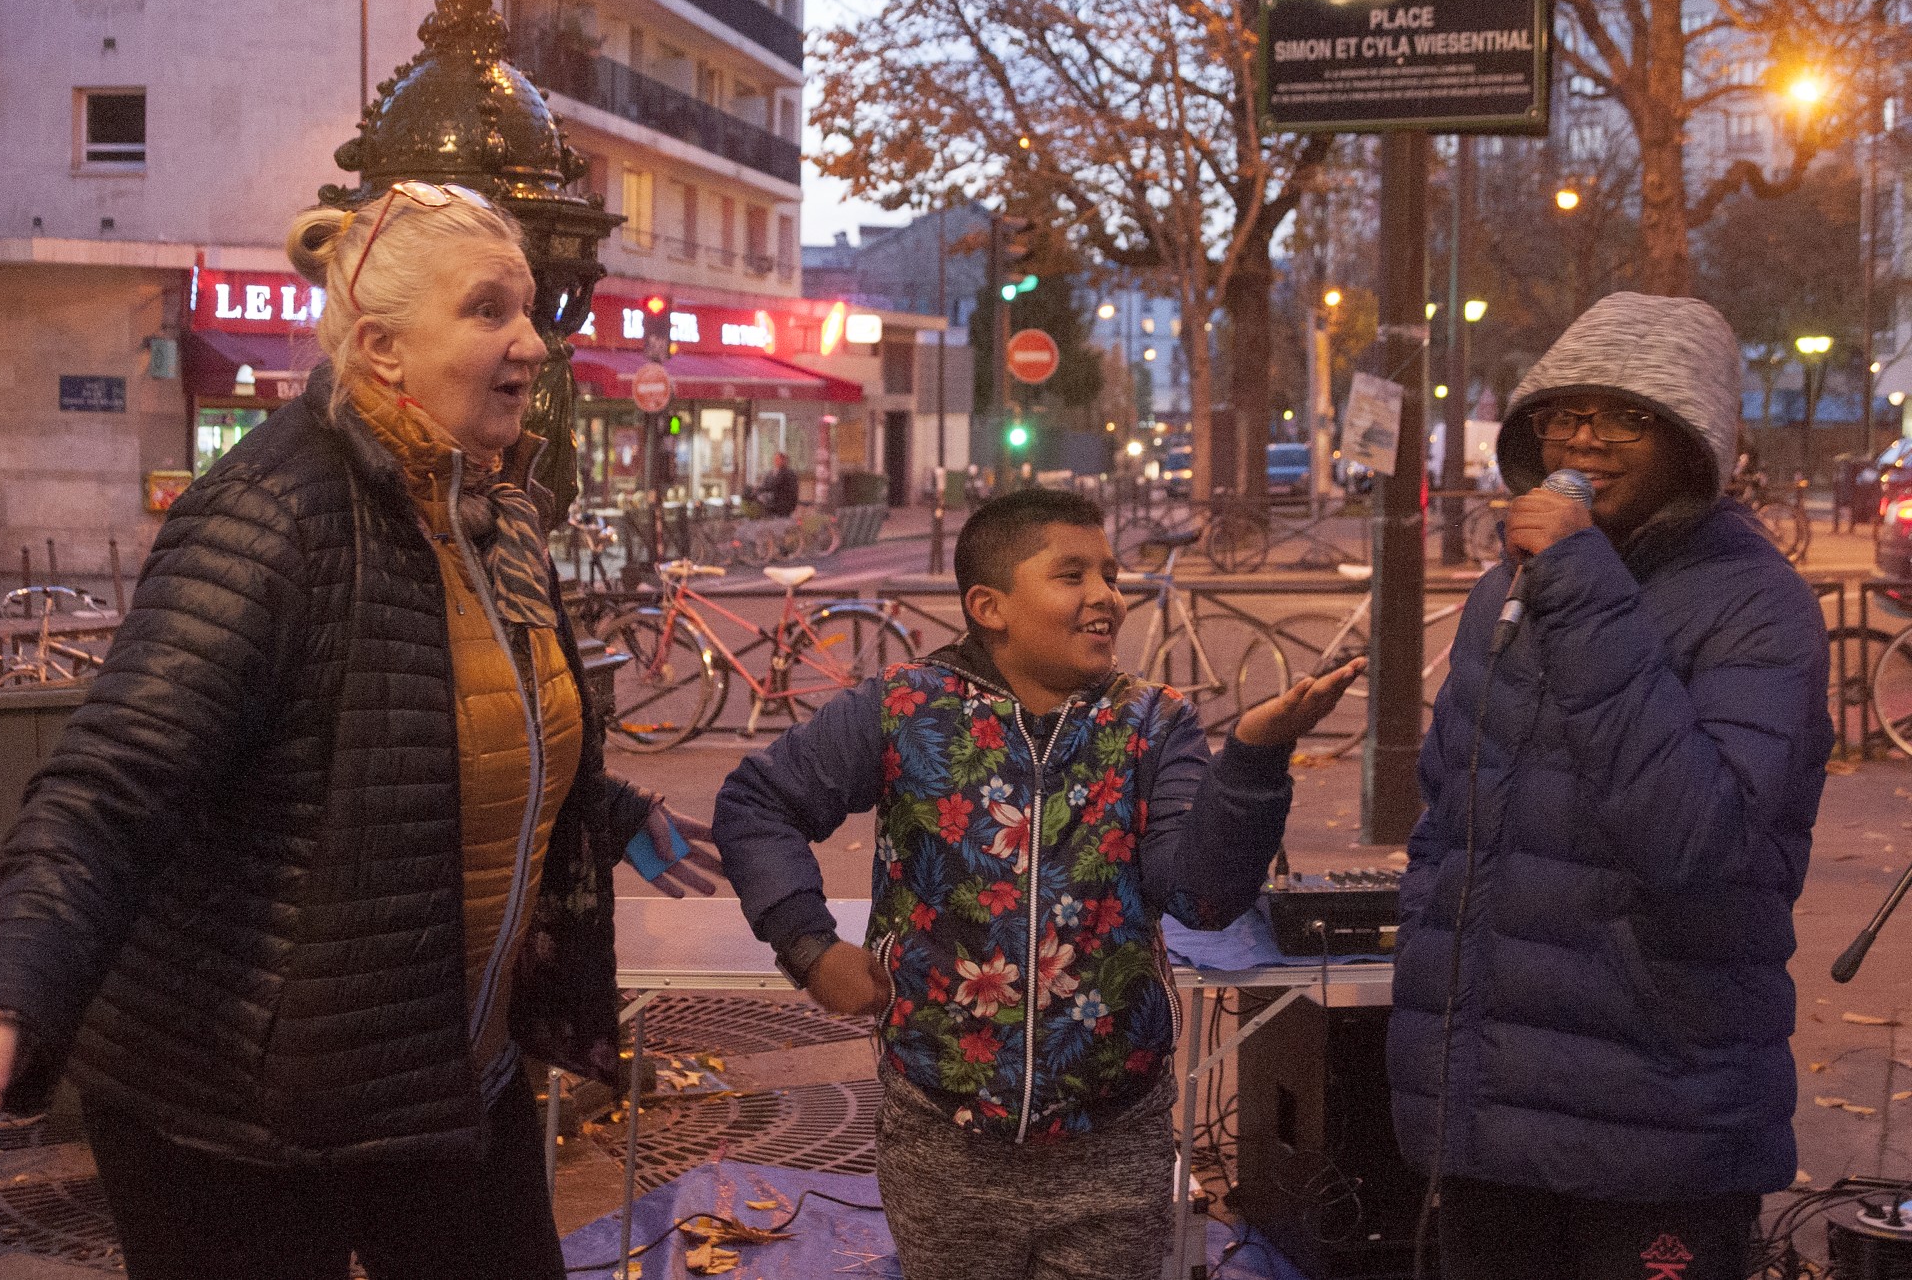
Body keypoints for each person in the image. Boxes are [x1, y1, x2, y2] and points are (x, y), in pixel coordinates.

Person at [0, 181, 723, 1280]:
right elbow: (113, 782)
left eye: (529, 308)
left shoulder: (494, 507)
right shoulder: (271, 510)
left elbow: (434, 716)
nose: (532, 339)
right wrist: (12, 982)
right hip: (239, 1117)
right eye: (489, 309)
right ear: (381, 348)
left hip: (437, 1077)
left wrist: (596, 810)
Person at [712, 488, 1361, 1279]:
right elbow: (757, 802)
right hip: (941, 1137)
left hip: (1115, 1145)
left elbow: (1202, 897)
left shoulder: (1155, 723)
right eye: (1072, 574)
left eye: (1112, 574)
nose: (1106, 597)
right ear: (990, 605)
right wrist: (809, 946)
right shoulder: (906, 708)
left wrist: (1254, 760)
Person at [1389, 292, 1832, 1280]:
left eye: (1622, 415)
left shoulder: (1758, 606)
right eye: (1562, 411)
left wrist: (1583, 582)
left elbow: (1698, 844)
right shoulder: (1507, 587)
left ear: (1691, 441)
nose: (1582, 437)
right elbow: (1448, 816)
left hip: (1654, 1123)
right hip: (1483, 1115)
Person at [754, 450, 799, 517]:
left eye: (778, 459)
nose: (776, 461)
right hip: (771, 503)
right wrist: (757, 489)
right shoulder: (771, 473)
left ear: (784, 461)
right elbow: (765, 484)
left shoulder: (789, 473)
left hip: (783, 504)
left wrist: (760, 489)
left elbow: (774, 485)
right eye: (775, 459)